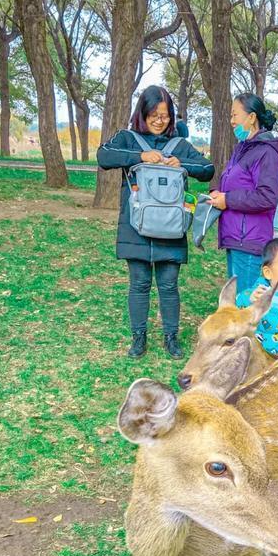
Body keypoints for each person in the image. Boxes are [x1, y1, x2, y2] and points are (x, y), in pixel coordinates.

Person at [97, 85, 214, 360]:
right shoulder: (128, 138)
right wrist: (140, 156)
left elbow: (207, 170)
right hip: (135, 227)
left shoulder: (180, 145)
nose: (160, 120)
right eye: (154, 114)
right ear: (143, 113)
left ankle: (171, 338)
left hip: (171, 228)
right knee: (138, 284)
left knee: (169, 285)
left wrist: (181, 162)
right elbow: (103, 157)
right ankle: (139, 338)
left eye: (166, 115)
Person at [207, 93, 278, 295]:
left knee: (247, 305)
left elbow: (267, 196)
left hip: (250, 241)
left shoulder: (267, 152)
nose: (231, 121)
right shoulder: (243, 148)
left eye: (235, 115)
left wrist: (228, 200)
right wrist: (218, 193)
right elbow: (238, 184)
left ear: (251, 117)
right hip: (235, 237)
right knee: (237, 301)